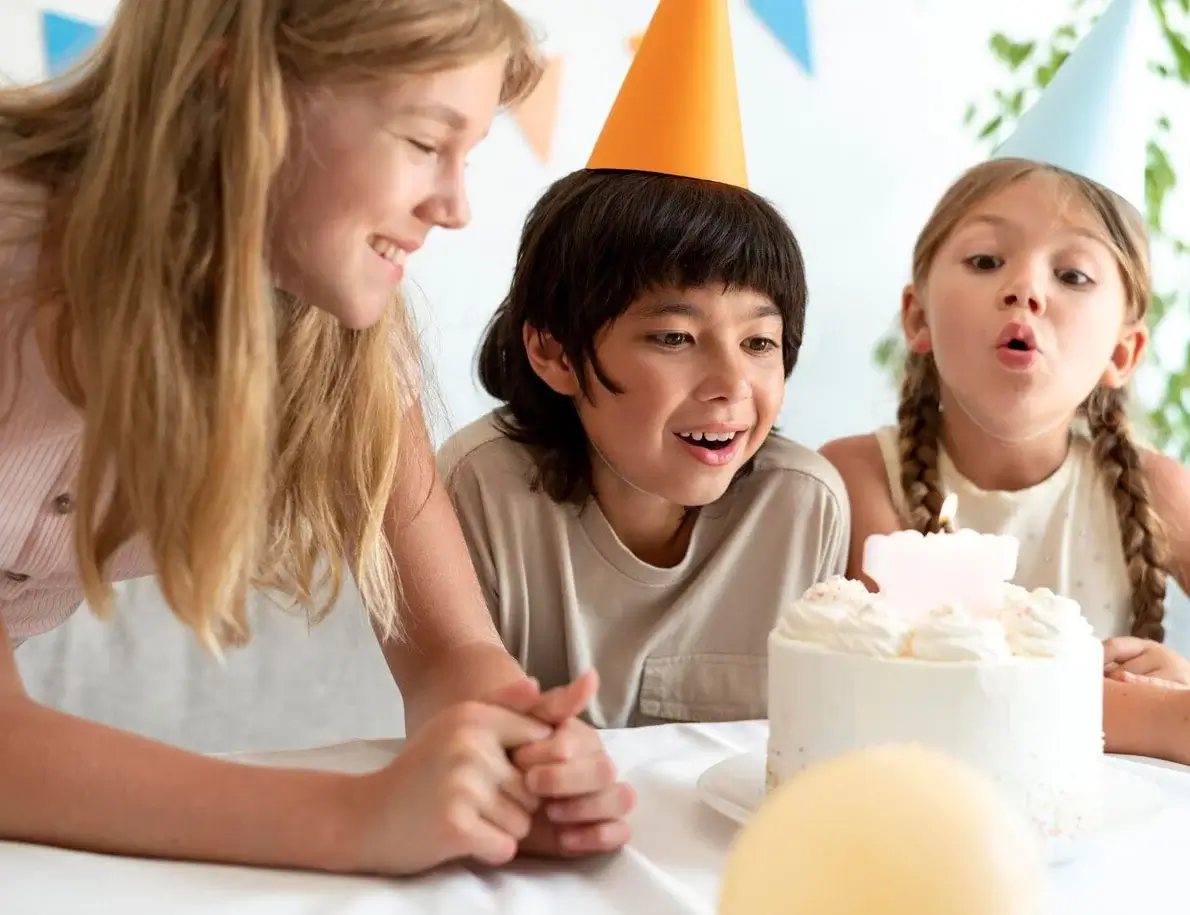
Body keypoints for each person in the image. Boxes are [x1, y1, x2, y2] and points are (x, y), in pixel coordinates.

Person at [0, 0, 631, 875]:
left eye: (469, 155)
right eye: (422, 142)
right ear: (234, 87)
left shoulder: (336, 335)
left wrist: (518, 762)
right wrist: (359, 818)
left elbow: (451, 653)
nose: (454, 207)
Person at [821, 0, 1190, 788]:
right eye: (984, 261)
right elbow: (947, 684)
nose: (1023, 290)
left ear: (1122, 350)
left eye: (1072, 274)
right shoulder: (851, 481)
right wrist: (1166, 719)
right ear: (916, 315)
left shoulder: (1150, 492)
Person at [436, 0, 849, 728]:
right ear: (554, 351)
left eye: (759, 342)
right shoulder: (482, 491)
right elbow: (461, 729)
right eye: (674, 338)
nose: (730, 385)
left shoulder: (801, 505)